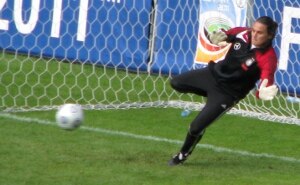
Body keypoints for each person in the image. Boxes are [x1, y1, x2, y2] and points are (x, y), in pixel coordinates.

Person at [168, 16, 279, 166]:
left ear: (270, 35)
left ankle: (182, 154)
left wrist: (262, 93)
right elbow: (226, 34)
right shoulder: (243, 34)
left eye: (260, 32)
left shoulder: (268, 58)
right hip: (212, 75)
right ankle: (210, 103)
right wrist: (218, 36)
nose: (254, 34)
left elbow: (266, 84)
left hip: (228, 93)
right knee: (176, 83)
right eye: (253, 30)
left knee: (195, 128)